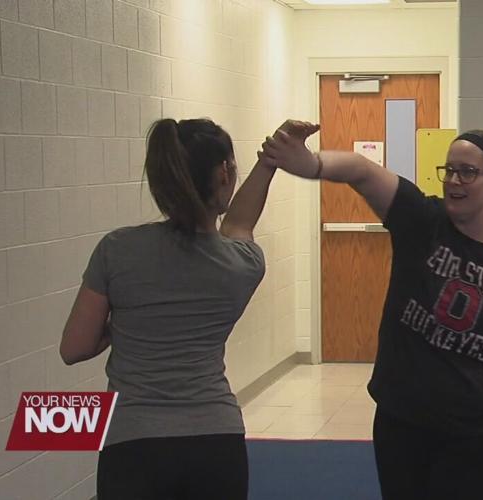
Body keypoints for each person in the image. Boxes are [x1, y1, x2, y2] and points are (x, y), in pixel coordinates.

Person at [260, 120, 483, 499]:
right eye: (449, 170)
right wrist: (312, 164)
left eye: (468, 172)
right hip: (404, 420)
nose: (454, 181)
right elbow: (362, 171)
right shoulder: (422, 220)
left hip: (479, 430)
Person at [59, 118, 313, 499]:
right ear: (225, 173)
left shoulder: (116, 249)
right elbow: (240, 222)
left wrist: (124, 321)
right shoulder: (241, 263)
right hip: (215, 442)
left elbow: (74, 348)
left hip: (132, 443)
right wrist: (269, 160)